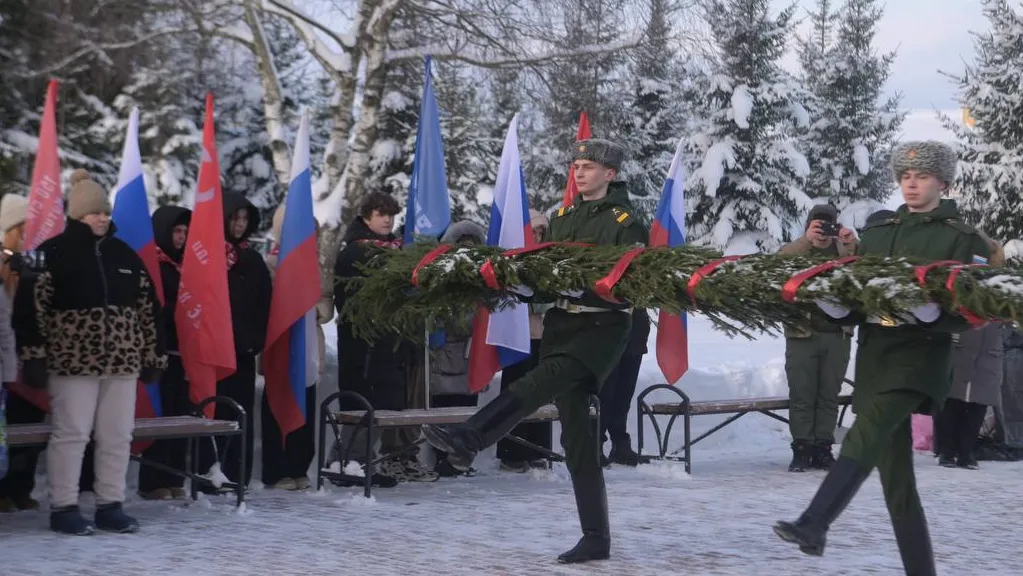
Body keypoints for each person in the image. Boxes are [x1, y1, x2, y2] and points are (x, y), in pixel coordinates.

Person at [421, 139, 648, 564]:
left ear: (610, 174)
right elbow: (548, 279)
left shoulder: (626, 222)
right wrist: (527, 287)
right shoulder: (562, 217)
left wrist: (583, 289)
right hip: (562, 327)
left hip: (601, 330)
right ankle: (596, 536)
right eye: (576, 166)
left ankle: (471, 436)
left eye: (589, 166)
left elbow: (629, 285)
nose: (579, 173)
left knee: (538, 382)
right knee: (579, 439)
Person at [774, 141, 993, 575]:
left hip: (918, 358)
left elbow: (975, 307)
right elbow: (862, 294)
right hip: (876, 354)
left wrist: (935, 314)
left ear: (943, 183)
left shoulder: (963, 238)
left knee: (866, 430)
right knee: (899, 486)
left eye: (922, 176)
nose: (911, 184)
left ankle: (815, 522)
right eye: (905, 177)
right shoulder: (878, 231)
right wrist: (839, 309)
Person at [16, 169, 166, 535]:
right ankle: (64, 506)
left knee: (118, 435)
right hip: (72, 364)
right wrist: (33, 355)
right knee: (72, 435)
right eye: (94, 212)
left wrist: (154, 355)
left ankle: (110, 505)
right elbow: (31, 309)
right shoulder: (53, 253)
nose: (101, 218)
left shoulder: (124, 255)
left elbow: (149, 309)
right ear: (78, 214)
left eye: (105, 212)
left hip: (123, 363)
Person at [333, 192, 437, 485]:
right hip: (365, 346)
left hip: (391, 345)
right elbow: (351, 302)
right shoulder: (355, 253)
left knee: (381, 407)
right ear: (366, 217)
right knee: (362, 408)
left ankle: (354, 463)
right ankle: (349, 465)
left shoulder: (394, 250)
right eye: (381, 214)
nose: (388, 220)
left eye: (391, 214)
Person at [198, 192, 272, 490]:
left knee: (240, 412)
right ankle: (207, 472)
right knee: (212, 410)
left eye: (244, 219)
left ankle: (237, 473)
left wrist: (254, 341)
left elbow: (264, 304)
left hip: (242, 351)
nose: (240, 225)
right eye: (234, 218)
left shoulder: (252, 259)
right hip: (212, 351)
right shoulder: (206, 256)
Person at [778, 204, 856, 471]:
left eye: (828, 224)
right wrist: (806, 241)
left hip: (837, 335)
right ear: (809, 225)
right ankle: (801, 448)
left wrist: (849, 242)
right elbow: (777, 263)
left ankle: (823, 447)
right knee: (802, 393)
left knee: (828, 395)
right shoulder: (799, 250)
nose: (823, 230)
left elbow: (867, 264)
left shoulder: (844, 250)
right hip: (802, 334)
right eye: (818, 225)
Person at [260, 205, 333, 490]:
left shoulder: (316, 264)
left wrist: (318, 310)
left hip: (308, 347)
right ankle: (277, 469)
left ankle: (299, 465)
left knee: (306, 405)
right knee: (277, 407)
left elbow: (326, 298)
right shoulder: (272, 262)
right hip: (282, 346)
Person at [137, 205, 192, 500]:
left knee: (181, 416)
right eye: (176, 231)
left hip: (185, 351)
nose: (181, 237)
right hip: (160, 351)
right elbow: (152, 306)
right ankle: (152, 481)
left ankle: (174, 477)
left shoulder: (188, 265)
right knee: (160, 416)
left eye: (185, 232)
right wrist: (180, 311)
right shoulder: (155, 265)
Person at [938, 235, 1004, 470]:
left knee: (978, 405)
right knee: (952, 402)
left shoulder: (1001, 282)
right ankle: (947, 451)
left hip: (988, 352)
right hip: (963, 346)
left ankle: (967, 452)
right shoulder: (963, 275)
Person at [427, 220, 486, 477]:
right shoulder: (443, 276)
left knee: (467, 408)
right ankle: (443, 458)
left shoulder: (480, 278)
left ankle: (461, 457)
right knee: (444, 407)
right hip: (447, 351)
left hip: (470, 352)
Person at [497, 209, 554, 473]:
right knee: (516, 391)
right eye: (534, 231)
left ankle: (538, 449)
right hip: (518, 337)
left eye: (541, 232)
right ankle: (512, 452)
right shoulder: (513, 259)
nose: (538, 236)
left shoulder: (547, 260)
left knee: (542, 392)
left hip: (543, 335)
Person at [0, 192, 44, 513]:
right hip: (7, 363)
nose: (26, 233)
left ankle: (20, 488)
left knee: (28, 421)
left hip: (23, 358)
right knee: (8, 429)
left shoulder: (24, 265)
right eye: (21, 227)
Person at [598, 307, 650, 466]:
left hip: (635, 332)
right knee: (605, 395)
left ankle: (620, 443)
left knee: (624, 395)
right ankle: (595, 445)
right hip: (607, 330)